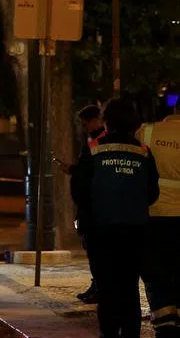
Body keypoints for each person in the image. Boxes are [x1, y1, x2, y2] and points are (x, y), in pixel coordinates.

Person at [71, 96, 160, 338]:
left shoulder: (93, 149)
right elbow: (152, 192)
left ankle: (109, 333)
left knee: (107, 287)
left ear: (107, 121)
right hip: (134, 229)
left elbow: (79, 190)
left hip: (101, 230)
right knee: (129, 287)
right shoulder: (143, 152)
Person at [137, 90, 180, 338]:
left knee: (156, 269)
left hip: (154, 213)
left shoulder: (147, 132)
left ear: (174, 109)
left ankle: (164, 321)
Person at [66, 104, 107, 304]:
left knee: (97, 251)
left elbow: (91, 173)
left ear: (97, 120)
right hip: (89, 206)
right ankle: (97, 284)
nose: (84, 128)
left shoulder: (99, 142)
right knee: (93, 251)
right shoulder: (92, 141)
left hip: (93, 207)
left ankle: (100, 287)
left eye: (86, 124)